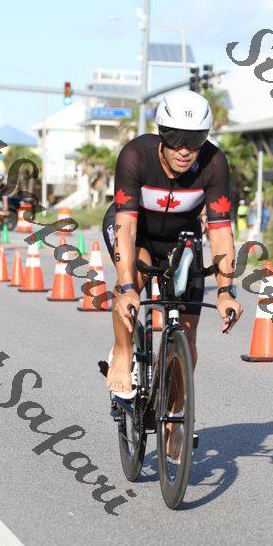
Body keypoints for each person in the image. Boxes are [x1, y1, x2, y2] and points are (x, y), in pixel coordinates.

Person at [102, 90, 243, 404]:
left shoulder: (214, 163)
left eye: (195, 140)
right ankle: (123, 352)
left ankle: (174, 418)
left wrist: (225, 292)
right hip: (136, 230)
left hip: (181, 239)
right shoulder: (136, 155)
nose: (184, 149)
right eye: (175, 137)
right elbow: (126, 227)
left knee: (188, 333)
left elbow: (221, 231)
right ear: (161, 134)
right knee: (133, 280)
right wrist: (127, 287)